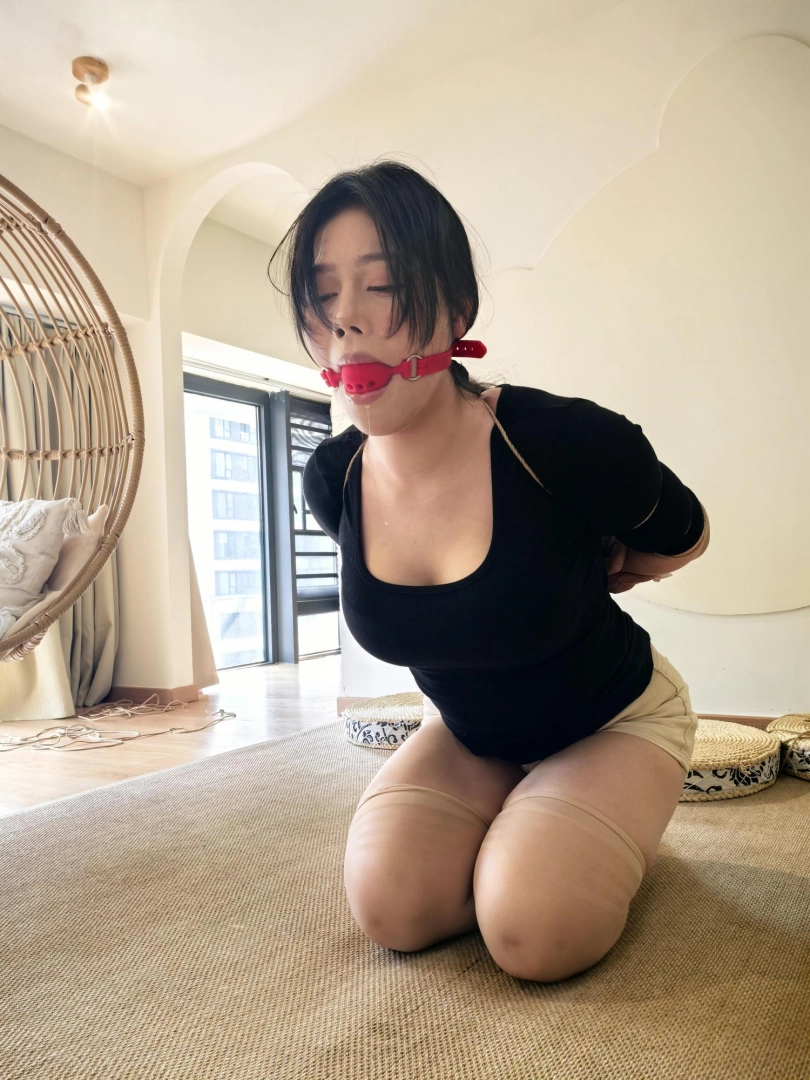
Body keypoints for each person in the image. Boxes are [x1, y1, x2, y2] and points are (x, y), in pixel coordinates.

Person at [268, 160, 710, 983]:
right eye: (323, 294)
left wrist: (619, 568)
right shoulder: (334, 477)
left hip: (612, 719)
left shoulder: (559, 440)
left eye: (381, 285)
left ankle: (582, 815)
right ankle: (522, 808)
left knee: (532, 932)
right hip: (472, 735)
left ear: (456, 309)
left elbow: (687, 536)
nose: (346, 319)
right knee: (391, 909)